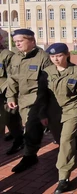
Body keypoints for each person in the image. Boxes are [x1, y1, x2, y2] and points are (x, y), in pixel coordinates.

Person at [38, 43, 77, 193]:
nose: (56, 59)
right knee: (60, 141)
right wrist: (42, 114)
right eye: (53, 56)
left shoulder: (76, 71)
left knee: (66, 140)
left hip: (71, 109)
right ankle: (71, 153)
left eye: (59, 55)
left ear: (67, 55)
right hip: (53, 112)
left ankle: (64, 178)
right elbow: (42, 96)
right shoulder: (46, 72)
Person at [6, 29, 52, 173]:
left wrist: (44, 106)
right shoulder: (16, 57)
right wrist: (11, 96)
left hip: (36, 100)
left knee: (31, 128)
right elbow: (12, 79)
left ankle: (29, 156)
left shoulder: (42, 57)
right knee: (27, 127)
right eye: (16, 42)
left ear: (32, 41)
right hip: (22, 99)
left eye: (20, 41)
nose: (17, 44)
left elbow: (48, 83)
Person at [0, 39, 24, 155]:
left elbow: (12, 77)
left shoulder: (7, 55)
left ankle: (19, 140)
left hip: (5, 93)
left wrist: (10, 95)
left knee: (10, 118)